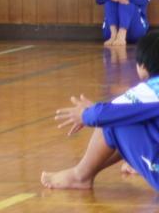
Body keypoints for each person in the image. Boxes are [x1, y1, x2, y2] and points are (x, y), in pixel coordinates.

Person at [43, 31, 159, 192]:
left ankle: (80, 175)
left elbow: (103, 114)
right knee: (121, 116)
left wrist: (84, 114)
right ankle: (139, 163)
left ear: (142, 65)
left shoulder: (152, 90)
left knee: (113, 121)